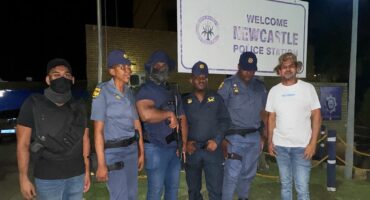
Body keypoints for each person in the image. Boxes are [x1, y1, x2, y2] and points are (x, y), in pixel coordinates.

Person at [16, 58, 90, 200]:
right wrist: (23, 177)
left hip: (76, 176)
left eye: (67, 75)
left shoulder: (79, 107)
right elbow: (23, 144)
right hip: (47, 178)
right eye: (56, 75)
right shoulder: (33, 103)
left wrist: (86, 170)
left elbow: (85, 139)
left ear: (73, 79)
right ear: (48, 80)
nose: (62, 77)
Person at [266, 52, 321, 200]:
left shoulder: (308, 88)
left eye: (291, 66)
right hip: (280, 147)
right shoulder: (274, 91)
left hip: (302, 148)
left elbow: (316, 116)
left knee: (302, 189)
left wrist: (313, 144)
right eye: (284, 67)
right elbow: (271, 118)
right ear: (280, 70)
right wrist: (270, 142)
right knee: (285, 185)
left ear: (296, 68)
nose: (288, 69)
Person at [91, 49, 144, 200]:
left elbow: (136, 123)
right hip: (113, 153)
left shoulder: (129, 92)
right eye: (123, 67)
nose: (128, 70)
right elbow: (98, 131)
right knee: (120, 196)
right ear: (112, 71)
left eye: (129, 67)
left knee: (132, 195)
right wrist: (101, 164)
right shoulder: (102, 91)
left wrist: (141, 152)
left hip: (131, 150)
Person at [135, 50, 188, 200]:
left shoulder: (174, 92)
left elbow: (183, 118)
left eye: (163, 64)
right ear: (151, 68)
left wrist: (183, 143)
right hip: (155, 148)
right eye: (156, 65)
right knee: (155, 192)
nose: (160, 67)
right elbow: (145, 114)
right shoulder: (146, 90)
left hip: (174, 149)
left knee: (173, 190)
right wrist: (168, 114)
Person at [218, 51, 268, 200]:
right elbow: (218, 113)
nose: (248, 73)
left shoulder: (260, 87)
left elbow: (264, 112)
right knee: (232, 175)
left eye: (252, 70)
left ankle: (243, 198)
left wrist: (264, 135)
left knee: (248, 174)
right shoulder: (227, 85)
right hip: (234, 137)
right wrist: (222, 139)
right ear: (238, 66)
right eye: (245, 69)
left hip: (254, 137)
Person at [183, 61, 231, 200]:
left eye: (204, 77)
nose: (201, 80)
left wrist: (217, 141)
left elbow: (225, 121)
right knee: (193, 192)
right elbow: (180, 125)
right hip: (193, 151)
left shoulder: (216, 99)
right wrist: (185, 144)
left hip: (213, 151)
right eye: (197, 77)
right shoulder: (184, 101)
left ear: (207, 80)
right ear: (191, 80)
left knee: (216, 192)